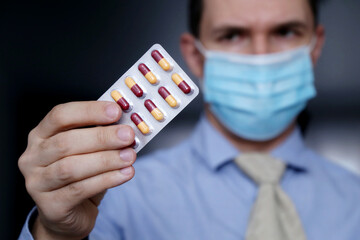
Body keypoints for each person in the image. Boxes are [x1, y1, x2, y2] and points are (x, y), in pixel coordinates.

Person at [18, 0, 360, 239]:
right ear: (195, 56)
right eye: (232, 35)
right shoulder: (111, 193)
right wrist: (54, 235)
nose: (260, 57)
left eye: (285, 31)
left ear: (314, 48)